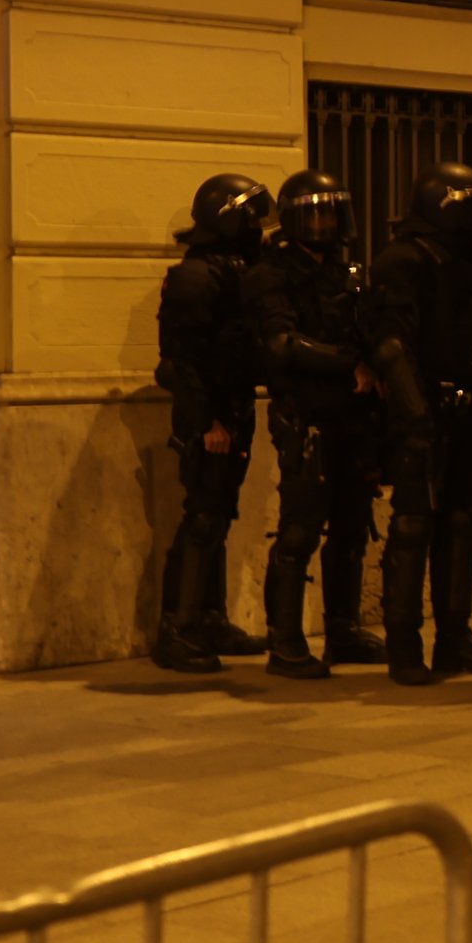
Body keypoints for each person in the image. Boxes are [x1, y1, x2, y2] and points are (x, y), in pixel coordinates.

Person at [368, 163, 472, 685]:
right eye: (469, 206)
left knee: (461, 521)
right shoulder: (403, 260)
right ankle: (403, 645)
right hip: (419, 412)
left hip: (465, 407)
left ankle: (454, 636)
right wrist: (415, 414)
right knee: (412, 527)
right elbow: (391, 345)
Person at [246, 170, 383, 680]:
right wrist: (348, 362)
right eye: (315, 212)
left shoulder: (342, 272)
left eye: (331, 211)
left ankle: (343, 631)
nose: (324, 221)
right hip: (306, 418)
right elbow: (281, 345)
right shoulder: (271, 273)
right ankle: (285, 642)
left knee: (350, 531)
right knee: (299, 532)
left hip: (352, 418)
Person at [151, 174, 272, 675]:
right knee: (201, 518)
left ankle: (211, 617)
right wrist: (208, 422)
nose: (257, 227)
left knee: (218, 516)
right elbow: (178, 363)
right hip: (210, 414)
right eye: (249, 217)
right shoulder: (196, 277)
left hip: (234, 405)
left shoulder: (236, 269)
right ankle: (178, 629)